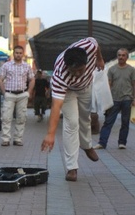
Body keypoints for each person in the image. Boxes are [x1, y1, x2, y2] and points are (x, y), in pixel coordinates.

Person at [41, 37, 104, 182]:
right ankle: (71, 168)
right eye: (73, 71)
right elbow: (56, 106)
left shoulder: (89, 47)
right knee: (72, 123)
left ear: (87, 62)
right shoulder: (59, 75)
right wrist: (50, 134)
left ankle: (87, 145)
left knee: (85, 118)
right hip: (68, 90)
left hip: (85, 87)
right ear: (66, 65)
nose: (76, 74)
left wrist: (100, 59)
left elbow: (95, 42)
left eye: (80, 70)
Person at [94, 48, 135, 150]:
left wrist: (134, 98)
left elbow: (134, 85)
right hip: (114, 100)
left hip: (127, 99)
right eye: (119, 55)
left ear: (127, 57)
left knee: (125, 122)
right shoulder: (112, 69)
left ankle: (122, 143)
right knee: (108, 122)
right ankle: (102, 143)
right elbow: (108, 85)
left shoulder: (131, 70)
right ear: (117, 57)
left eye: (123, 55)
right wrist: (106, 99)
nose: (121, 57)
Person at [0, 45, 35, 146]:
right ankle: (5, 139)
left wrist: (29, 92)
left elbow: (32, 79)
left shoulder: (27, 66)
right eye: (16, 53)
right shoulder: (6, 65)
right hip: (9, 94)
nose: (18, 55)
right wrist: (4, 92)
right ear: (13, 53)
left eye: (20, 53)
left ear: (23, 54)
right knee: (6, 117)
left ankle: (18, 139)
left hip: (22, 94)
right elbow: (0, 79)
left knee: (21, 117)